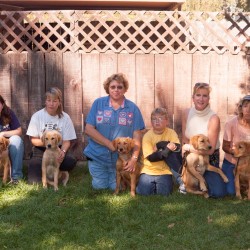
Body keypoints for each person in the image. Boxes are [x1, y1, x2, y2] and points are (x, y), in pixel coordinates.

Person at [83, 73, 145, 191]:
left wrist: (134, 158)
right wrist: (108, 143)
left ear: (125, 89)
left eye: (119, 87)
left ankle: (118, 179)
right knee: (99, 187)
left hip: (121, 158)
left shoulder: (133, 108)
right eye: (113, 87)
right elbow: (88, 129)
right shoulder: (98, 104)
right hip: (98, 156)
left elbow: (137, 136)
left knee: (117, 188)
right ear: (108, 88)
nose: (116, 90)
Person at [182, 82, 226, 198]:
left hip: (209, 159)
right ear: (193, 97)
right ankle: (188, 179)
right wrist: (186, 153)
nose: (201, 99)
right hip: (191, 157)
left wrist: (189, 148)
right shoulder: (186, 113)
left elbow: (210, 150)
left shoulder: (213, 118)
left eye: (205, 96)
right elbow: (184, 138)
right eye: (198, 95)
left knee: (218, 193)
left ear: (208, 99)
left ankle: (201, 180)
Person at [26, 87, 77, 184]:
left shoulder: (65, 117)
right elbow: (33, 140)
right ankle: (42, 168)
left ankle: (57, 172)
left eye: (54, 101)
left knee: (70, 161)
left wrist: (63, 151)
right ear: (45, 101)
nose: (51, 104)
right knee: (34, 181)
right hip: (41, 149)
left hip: (58, 149)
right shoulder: (37, 116)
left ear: (59, 102)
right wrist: (48, 144)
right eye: (48, 100)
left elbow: (67, 141)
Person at [136, 107, 185, 196]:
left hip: (164, 171)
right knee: (142, 192)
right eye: (154, 119)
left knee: (164, 194)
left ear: (166, 121)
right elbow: (151, 157)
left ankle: (176, 181)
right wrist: (167, 150)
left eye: (160, 119)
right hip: (148, 170)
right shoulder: (147, 136)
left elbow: (177, 147)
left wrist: (160, 145)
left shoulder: (171, 133)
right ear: (151, 122)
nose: (157, 121)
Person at [222, 95, 250, 196]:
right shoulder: (231, 123)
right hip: (232, 163)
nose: (248, 109)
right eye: (246, 106)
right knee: (231, 192)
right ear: (241, 108)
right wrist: (236, 152)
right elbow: (224, 146)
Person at [0, 95, 24, 184]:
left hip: (6, 144)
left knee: (17, 140)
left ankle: (16, 177)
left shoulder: (8, 113)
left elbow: (19, 131)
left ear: (2, 104)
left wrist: (3, 133)